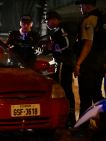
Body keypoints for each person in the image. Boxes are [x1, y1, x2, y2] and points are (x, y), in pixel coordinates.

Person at [73, 0, 105, 133]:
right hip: (99, 64)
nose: (80, 8)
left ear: (86, 5)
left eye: (81, 6)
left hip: (89, 65)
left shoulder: (89, 20)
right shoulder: (102, 19)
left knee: (85, 96)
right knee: (97, 95)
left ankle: (82, 128)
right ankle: (103, 125)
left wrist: (78, 63)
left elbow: (88, 44)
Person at [45, 11, 76, 128]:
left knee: (64, 89)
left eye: (48, 20)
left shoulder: (61, 29)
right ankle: (67, 117)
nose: (47, 23)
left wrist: (52, 46)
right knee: (63, 88)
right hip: (62, 62)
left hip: (64, 62)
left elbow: (67, 44)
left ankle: (69, 119)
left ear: (54, 19)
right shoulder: (57, 30)